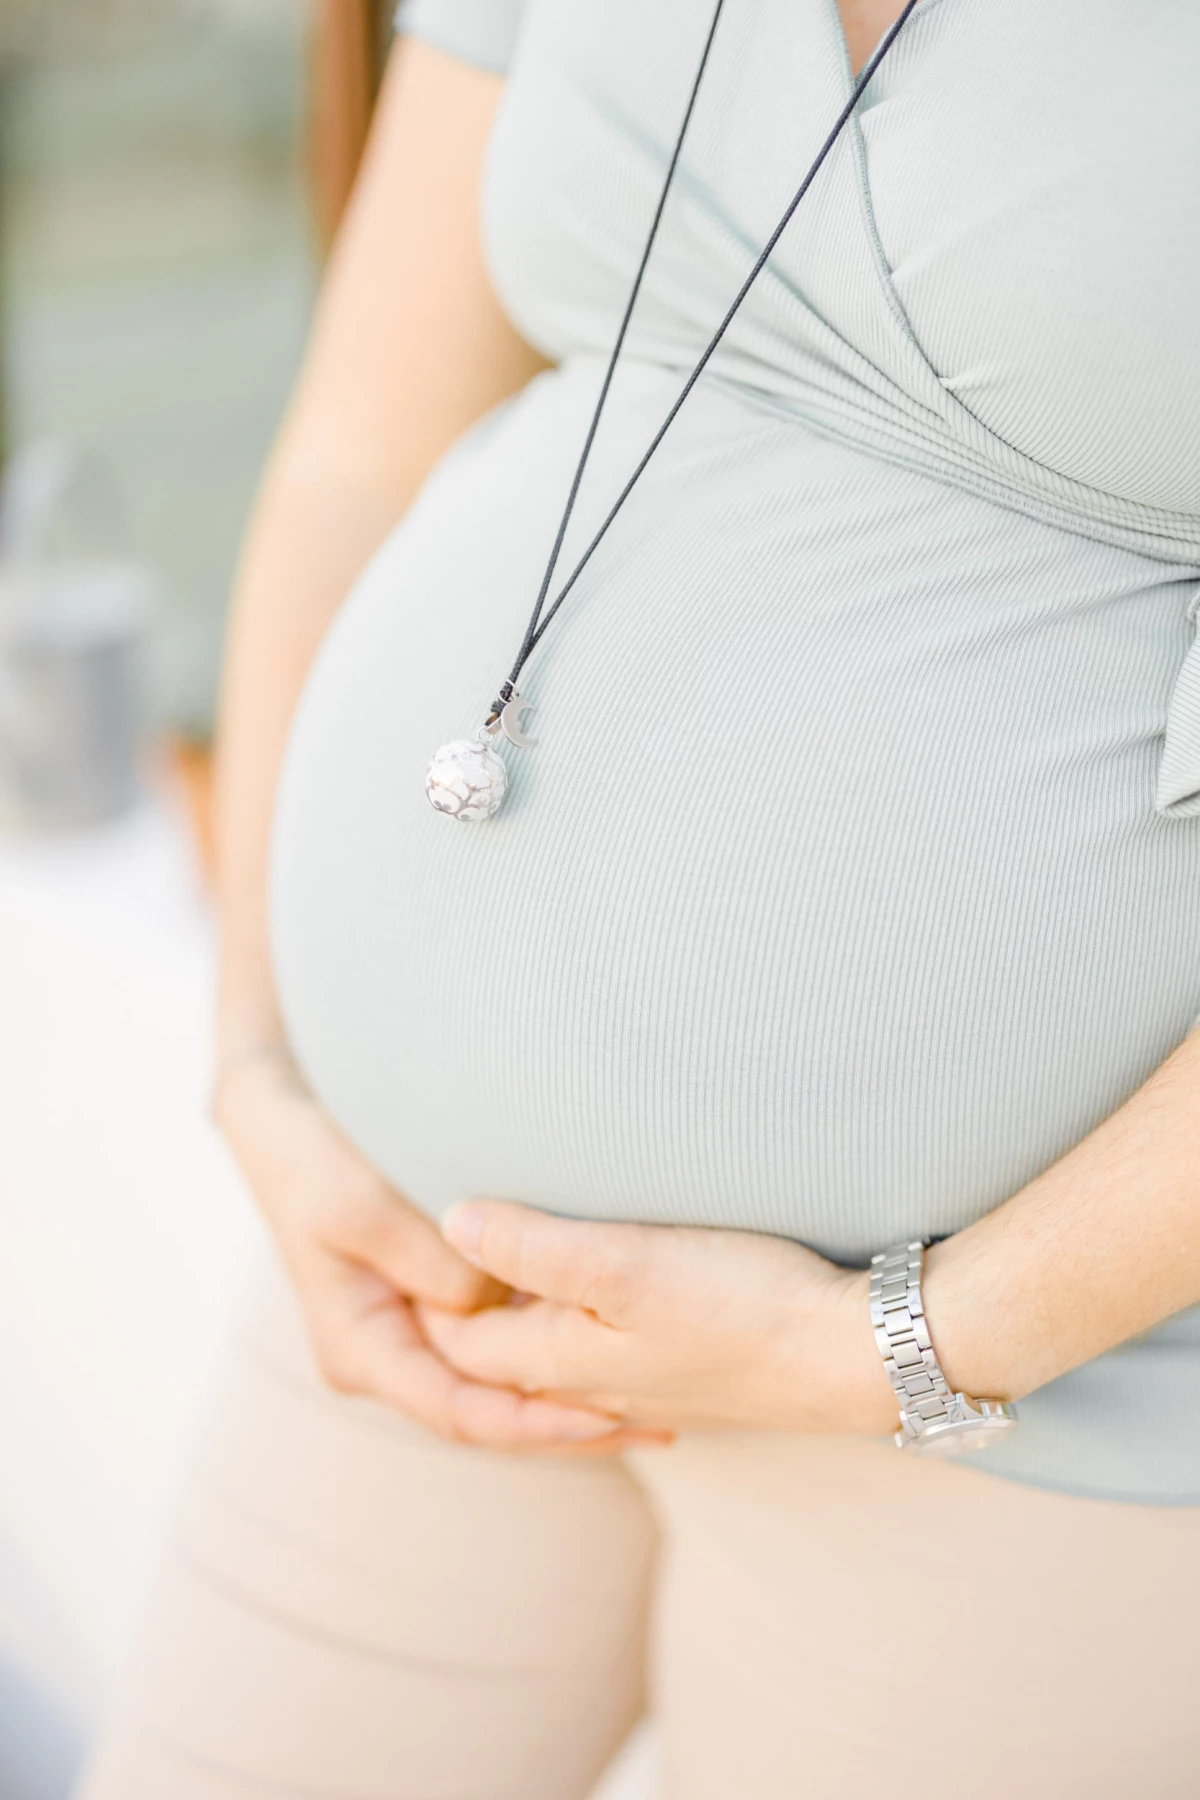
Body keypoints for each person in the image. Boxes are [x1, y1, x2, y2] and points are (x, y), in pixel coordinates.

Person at [79, 1, 1200, 1795]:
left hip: (1047, 1406)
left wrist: (910, 1345)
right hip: (412, 1271)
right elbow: (359, 449)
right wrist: (261, 1069)